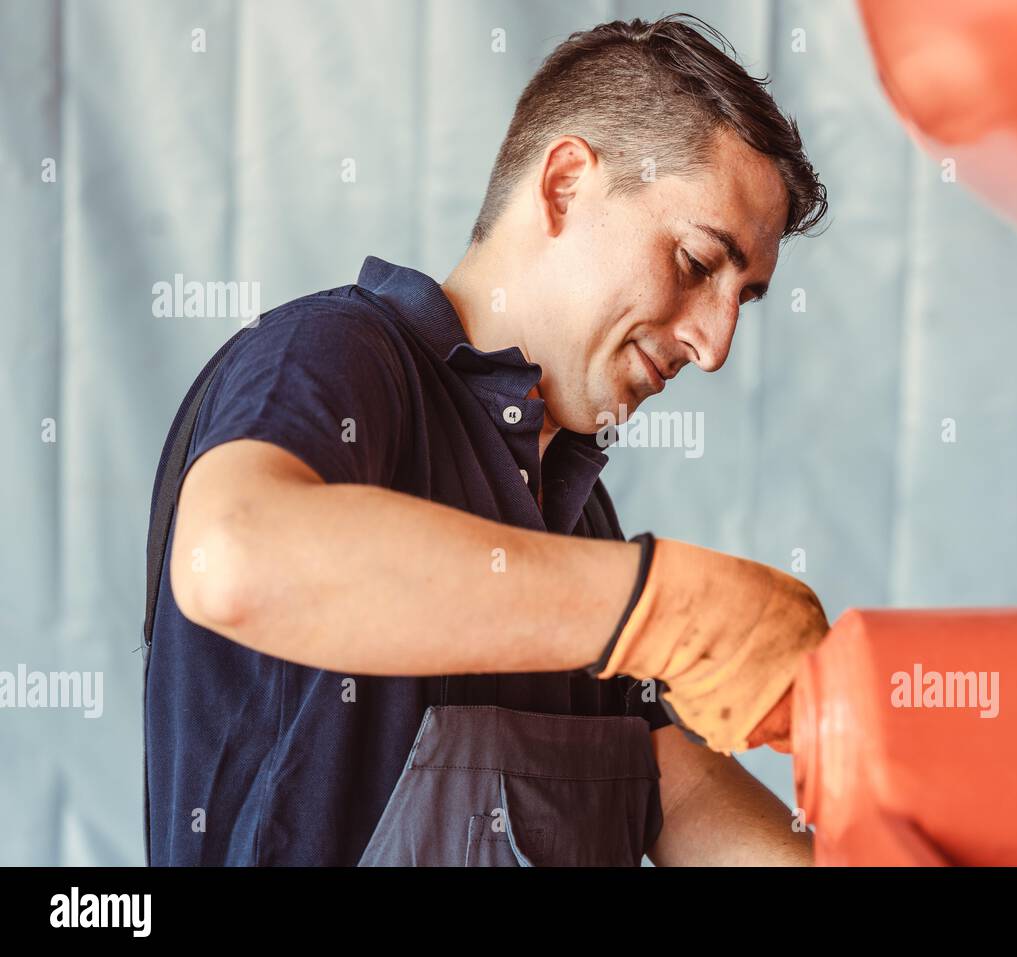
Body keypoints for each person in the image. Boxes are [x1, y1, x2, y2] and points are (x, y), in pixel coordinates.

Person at [146, 13, 830, 866]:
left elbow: (664, 778)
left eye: (743, 297)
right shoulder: (338, 357)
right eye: (696, 263)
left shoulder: (581, 516)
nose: (715, 345)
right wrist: (658, 605)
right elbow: (231, 557)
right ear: (565, 185)